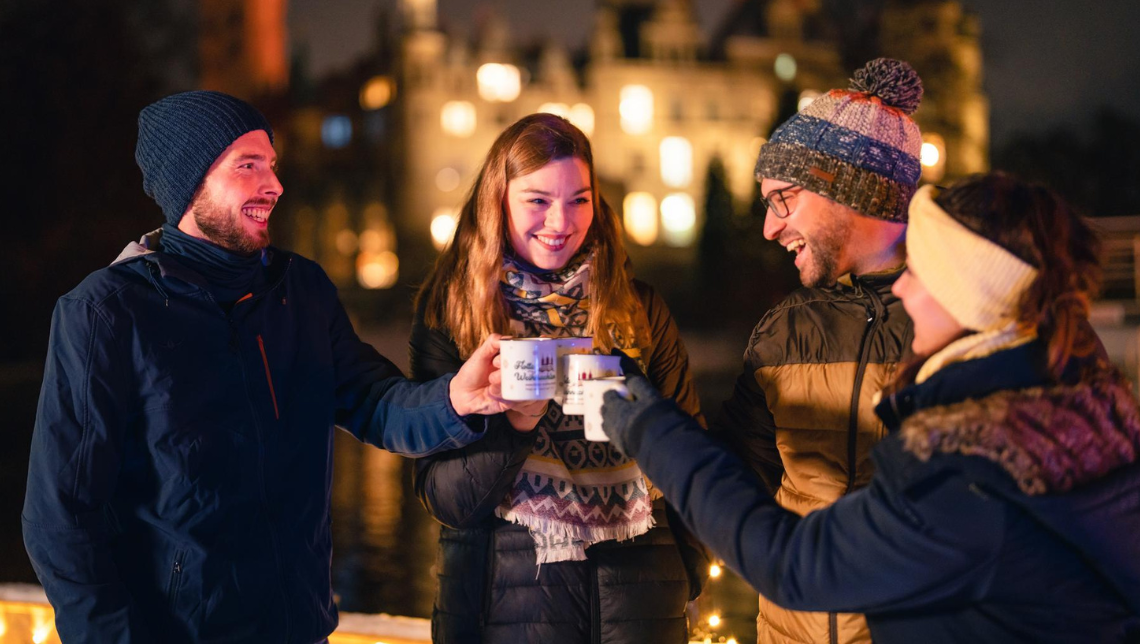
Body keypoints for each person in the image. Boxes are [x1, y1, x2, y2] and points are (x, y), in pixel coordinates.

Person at [22, 91, 517, 644]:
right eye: (247, 165)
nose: (274, 185)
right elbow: (60, 519)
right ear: (191, 182)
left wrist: (455, 398)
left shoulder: (300, 290)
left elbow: (374, 402)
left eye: (272, 165)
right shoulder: (106, 312)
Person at [600, 172, 1140, 643]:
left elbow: (793, 562)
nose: (903, 287)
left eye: (922, 271)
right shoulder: (1078, 417)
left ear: (967, 298)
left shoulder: (977, 474)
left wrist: (641, 417)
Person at [411, 113, 710, 643]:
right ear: (498, 199)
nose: (560, 221)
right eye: (537, 200)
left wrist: (685, 576)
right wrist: (513, 427)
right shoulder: (454, 315)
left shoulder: (637, 310)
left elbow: (693, 455)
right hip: (501, 610)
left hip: (642, 602)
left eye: (579, 199)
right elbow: (448, 500)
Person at [711, 58, 924, 643]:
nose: (768, 228)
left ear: (849, 191)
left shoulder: (956, 322)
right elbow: (729, 482)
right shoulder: (782, 332)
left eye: (784, 198)